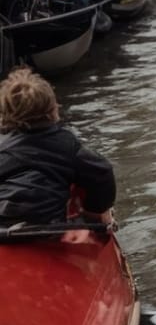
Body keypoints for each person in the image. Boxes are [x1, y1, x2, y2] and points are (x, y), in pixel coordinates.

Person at [0, 66, 116, 226]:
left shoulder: (2, 147)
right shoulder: (66, 144)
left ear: (4, 115)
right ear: (53, 109)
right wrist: (95, 212)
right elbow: (103, 172)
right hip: (49, 227)